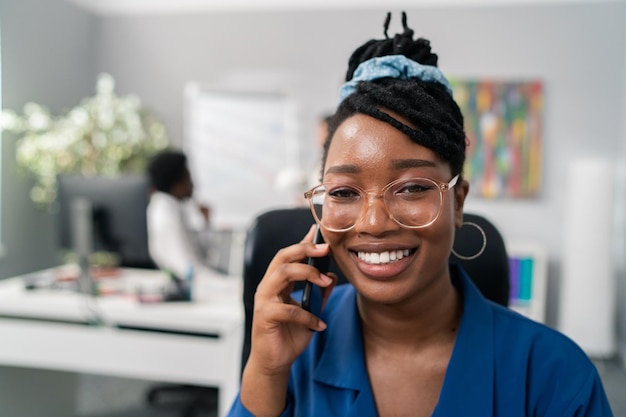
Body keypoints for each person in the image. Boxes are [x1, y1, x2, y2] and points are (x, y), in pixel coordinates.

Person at [228, 12, 613, 417]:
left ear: (459, 202)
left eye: (412, 188)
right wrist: (267, 372)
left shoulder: (556, 376)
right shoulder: (294, 348)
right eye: (343, 191)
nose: (374, 223)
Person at [146, 149, 212, 283]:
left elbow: (201, 255)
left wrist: (205, 223)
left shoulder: (173, 208)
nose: (193, 184)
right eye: (188, 177)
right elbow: (187, 269)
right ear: (177, 182)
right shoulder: (165, 213)